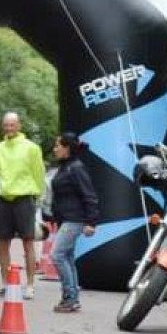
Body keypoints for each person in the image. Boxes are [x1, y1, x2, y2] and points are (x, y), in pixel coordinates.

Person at [0, 111, 46, 300]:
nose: (9, 128)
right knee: (2, 242)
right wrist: (5, 187)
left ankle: (30, 285)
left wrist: (38, 197)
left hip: (25, 198)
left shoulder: (31, 147)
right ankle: (6, 284)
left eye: (12, 125)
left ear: (19, 125)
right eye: (6, 125)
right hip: (4, 198)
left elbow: (38, 172)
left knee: (28, 241)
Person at [47, 132, 98, 312]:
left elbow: (89, 195)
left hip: (74, 219)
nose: (54, 149)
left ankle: (69, 296)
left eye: (57, 146)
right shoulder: (66, 167)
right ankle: (72, 297)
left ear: (66, 147)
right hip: (66, 219)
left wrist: (91, 222)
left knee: (57, 255)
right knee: (67, 257)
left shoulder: (76, 168)